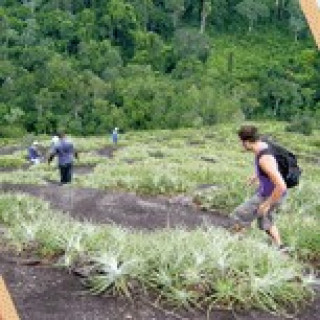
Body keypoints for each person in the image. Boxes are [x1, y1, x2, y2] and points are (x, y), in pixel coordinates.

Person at [232, 125, 287, 251]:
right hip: (269, 192)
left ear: (246, 142)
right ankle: (280, 247)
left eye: (241, 142)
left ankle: (235, 245)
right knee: (265, 220)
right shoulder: (262, 146)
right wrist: (256, 175)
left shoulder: (264, 158)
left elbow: (281, 186)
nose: (241, 145)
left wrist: (267, 204)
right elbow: (270, 168)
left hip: (271, 195)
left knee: (240, 215)